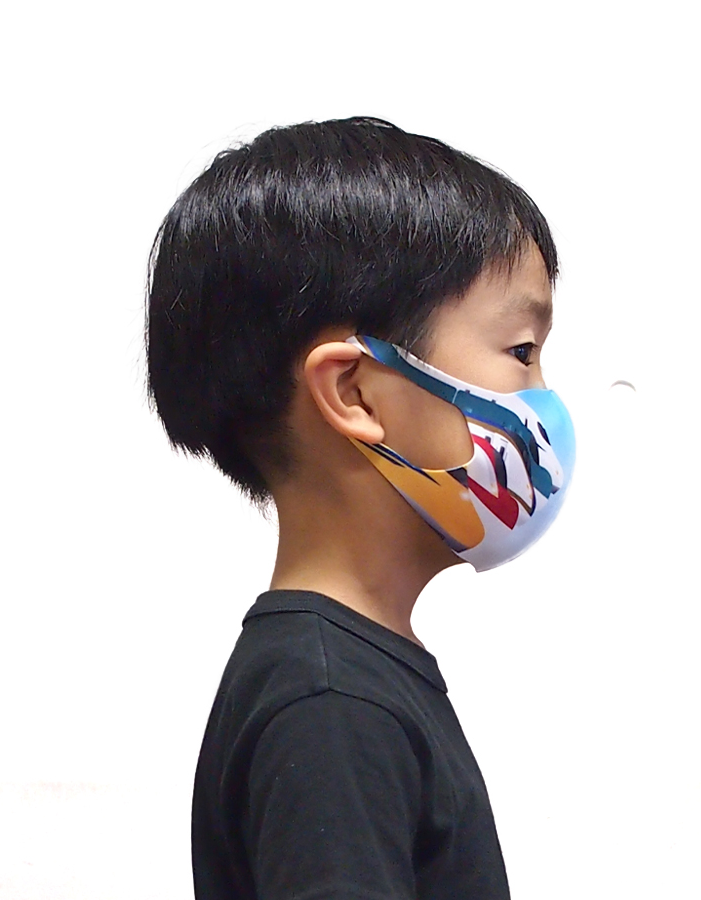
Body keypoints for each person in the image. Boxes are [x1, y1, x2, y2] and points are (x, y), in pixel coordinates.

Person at [145, 116, 575, 900]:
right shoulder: (332, 708)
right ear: (355, 392)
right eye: (521, 351)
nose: (542, 400)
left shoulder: (345, 677)